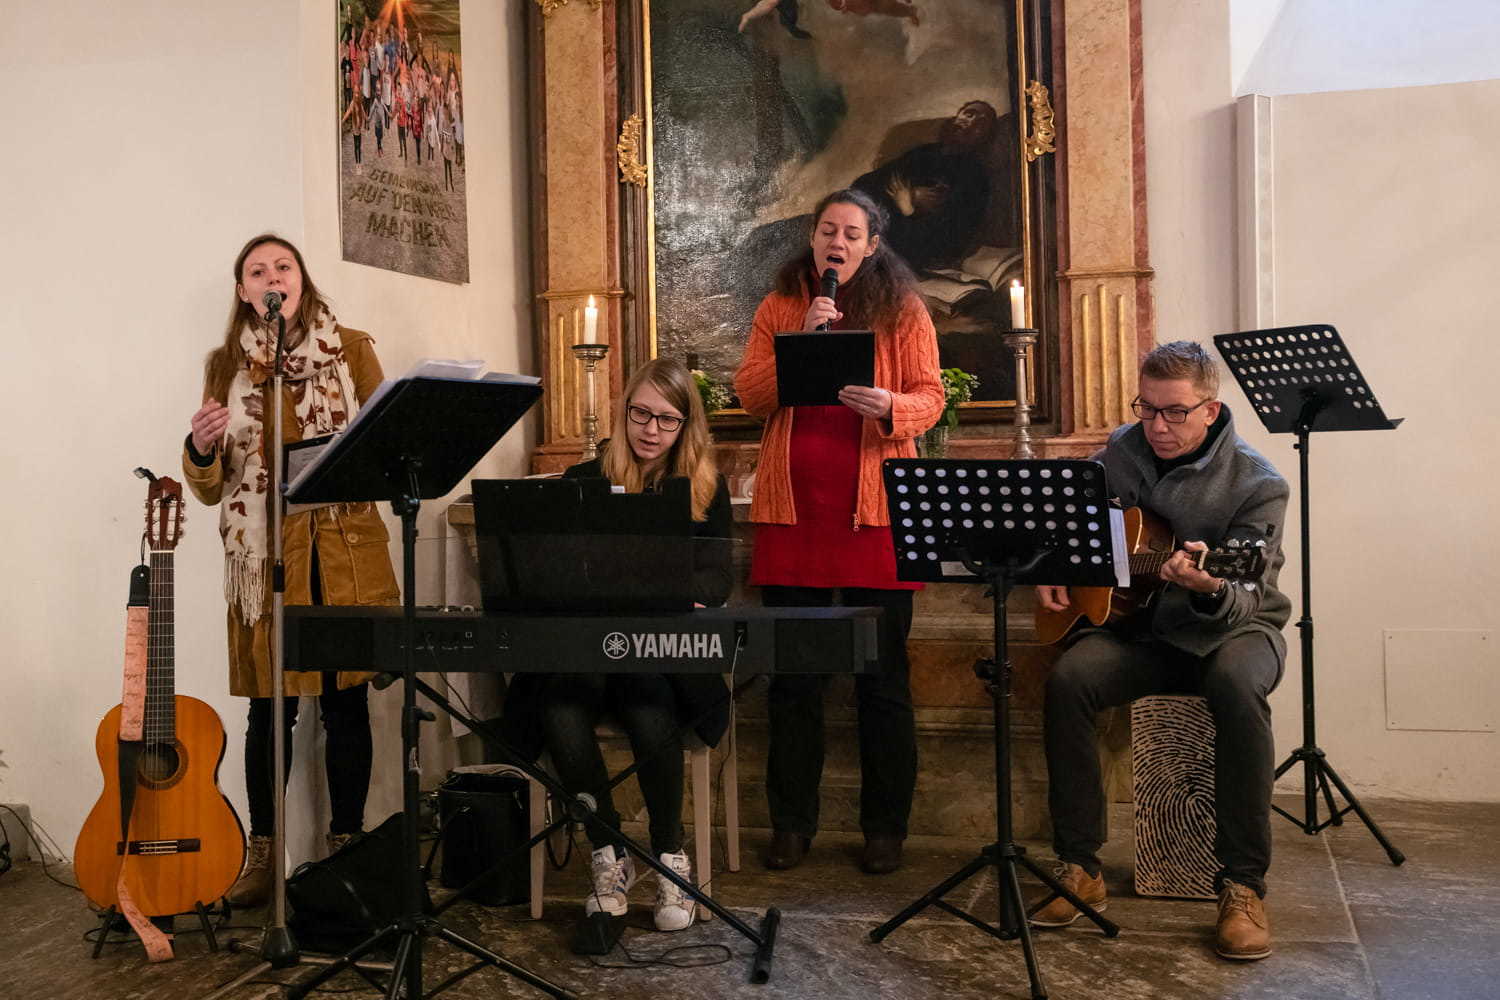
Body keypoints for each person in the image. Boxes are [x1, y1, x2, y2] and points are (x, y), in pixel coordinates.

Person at [1031, 340, 1288, 961]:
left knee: (1235, 685)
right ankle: (1080, 867)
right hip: (1145, 631)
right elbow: (1065, 514)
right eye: (1146, 408)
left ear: (1210, 409)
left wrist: (1208, 585)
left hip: (1236, 630)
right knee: (1069, 680)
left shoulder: (1259, 483)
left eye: (1175, 412)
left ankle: (1242, 885)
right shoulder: (1122, 449)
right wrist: (1054, 564)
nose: (1158, 426)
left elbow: (1246, 596)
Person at [181, 234, 400, 907]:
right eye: (257, 271)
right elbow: (211, 486)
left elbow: (388, 448)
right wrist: (200, 448)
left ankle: (346, 849)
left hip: (340, 554)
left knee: (345, 703)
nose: (272, 277)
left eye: (283, 266)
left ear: (302, 280)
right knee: (268, 711)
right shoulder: (226, 365)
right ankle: (263, 855)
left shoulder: (351, 349)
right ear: (243, 291)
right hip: (264, 558)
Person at [734, 188, 943, 875]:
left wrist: (889, 406)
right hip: (794, 517)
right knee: (795, 685)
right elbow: (750, 394)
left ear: (872, 245)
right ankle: (792, 825)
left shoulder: (902, 308)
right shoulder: (780, 305)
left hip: (875, 520)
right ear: (814, 237)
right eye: (829, 230)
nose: (838, 242)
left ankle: (885, 829)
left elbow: (931, 396)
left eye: (853, 233)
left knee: (882, 685)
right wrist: (802, 338)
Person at [501, 358, 733, 932]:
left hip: (661, 655)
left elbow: (716, 580)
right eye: (640, 414)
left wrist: (677, 590)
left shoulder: (705, 487)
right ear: (623, 411)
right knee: (558, 706)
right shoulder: (584, 478)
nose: (651, 430)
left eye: (667, 419)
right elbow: (552, 569)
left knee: (648, 704)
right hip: (588, 646)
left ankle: (670, 854)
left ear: (686, 425)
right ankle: (608, 852)